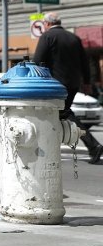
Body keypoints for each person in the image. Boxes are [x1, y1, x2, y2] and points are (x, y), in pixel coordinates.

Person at [32, 12, 102, 164]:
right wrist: (87, 82)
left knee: (62, 114)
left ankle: (93, 145)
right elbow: (85, 62)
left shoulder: (47, 37)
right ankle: (57, 146)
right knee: (61, 114)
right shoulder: (74, 37)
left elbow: (37, 61)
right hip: (73, 84)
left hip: (54, 85)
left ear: (47, 24)